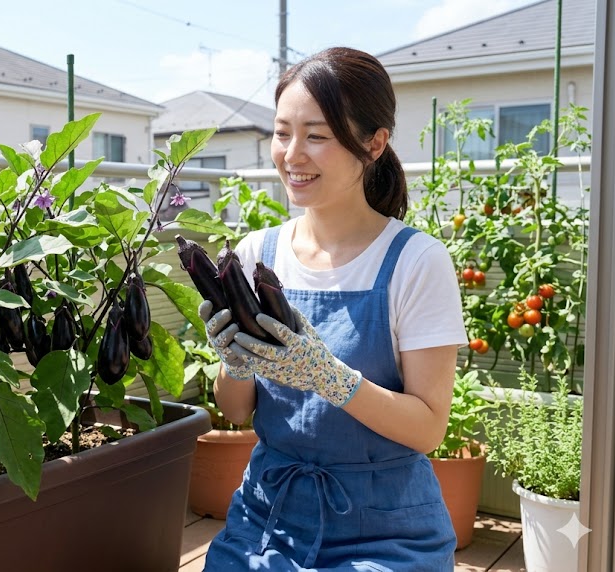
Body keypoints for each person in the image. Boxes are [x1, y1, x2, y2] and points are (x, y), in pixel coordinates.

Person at [200, 46, 467, 571]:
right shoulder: (257, 254)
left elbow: (429, 428)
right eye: (281, 133)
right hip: (268, 515)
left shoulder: (416, 261)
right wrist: (235, 362)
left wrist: (331, 379)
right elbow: (235, 410)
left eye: (317, 136)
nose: (292, 154)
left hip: (386, 531)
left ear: (374, 143)